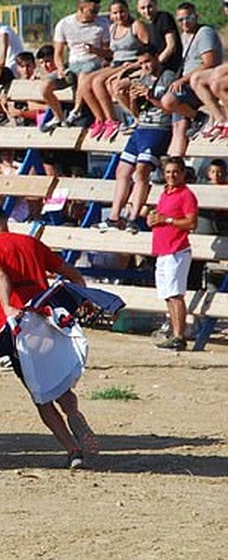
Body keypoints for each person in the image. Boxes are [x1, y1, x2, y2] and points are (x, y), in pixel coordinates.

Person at [0, 203, 96, 469]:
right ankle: (74, 414)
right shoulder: (31, 243)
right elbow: (72, 274)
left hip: (21, 331)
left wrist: (7, 307)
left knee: (40, 393)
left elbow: (0, 276)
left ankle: (73, 450)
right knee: (59, 384)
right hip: (48, 322)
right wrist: (82, 298)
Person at [98, 45, 175, 234]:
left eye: (147, 61)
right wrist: (131, 99)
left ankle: (132, 218)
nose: (145, 66)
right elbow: (138, 113)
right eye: (141, 63)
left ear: (157, 57)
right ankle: (114, 217)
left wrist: (150, 97)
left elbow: (171, 108)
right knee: (122, 171)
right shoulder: (143, 77)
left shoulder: (169, 77)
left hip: (159, 129)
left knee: (141, 172)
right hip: (141, 128)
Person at [159, 2, 223, 157]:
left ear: (196, 17)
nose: (185, 23)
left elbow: (210, 62)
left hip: (199, 84)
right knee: (178, 128)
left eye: (189, 18)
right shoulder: (184, 36)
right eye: (180, 20)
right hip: (186, 84)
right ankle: (176, 165)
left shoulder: (204, 32)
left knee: (168, 100)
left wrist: (183, 80)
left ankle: (200, 118)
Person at [148, 156, 198, 351]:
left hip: (176, 249)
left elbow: (191, 222)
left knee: (175, 294)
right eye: (168, 172)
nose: (171, 175)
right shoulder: (165, 193)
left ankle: (179, 335)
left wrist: (167, 220)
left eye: (175, 172)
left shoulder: (186, 194)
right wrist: (154, 219)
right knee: (169, 294)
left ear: (183, 173)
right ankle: (175, 334)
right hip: (164, 249)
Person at [80, 0, 148, 140]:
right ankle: (100, 119)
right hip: (116, 63)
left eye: (122, 11)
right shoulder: (113, 29)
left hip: (130, 63)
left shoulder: (136, 26)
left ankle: (113, 119)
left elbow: (148, 48)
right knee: (85, 82)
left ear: (128, 11)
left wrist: (136, 63)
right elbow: (112, 53)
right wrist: (95, 51)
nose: (119, 16)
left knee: (99, 81)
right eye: (115, 13)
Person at [39, 0, 110, 133]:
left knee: (83, 75)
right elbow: (58, 53)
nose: (96, 14)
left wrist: (95, 50)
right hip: (73, 63)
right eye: (92, 11)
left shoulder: (101, 24)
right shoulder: (64, 24)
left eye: (97, 10)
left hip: (92, 63)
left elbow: (108, 52)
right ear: (81, 8)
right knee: (45, 87)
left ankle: (76, 110)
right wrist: (60, 68)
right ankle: (58, 116)